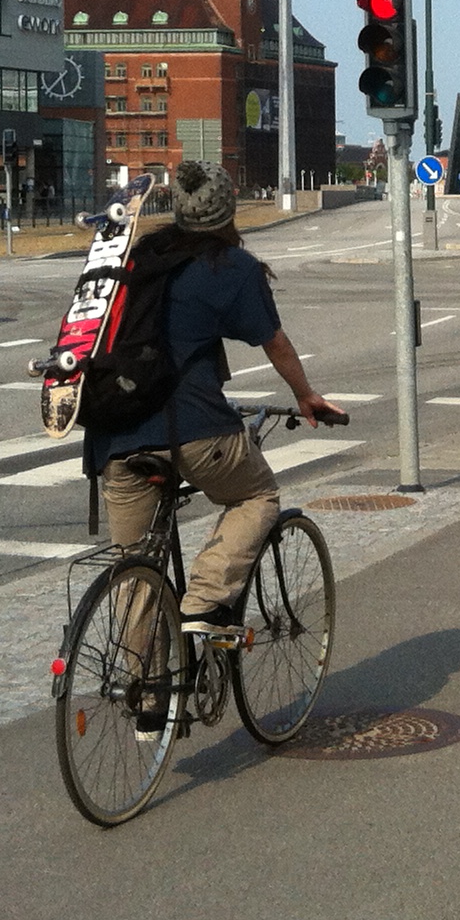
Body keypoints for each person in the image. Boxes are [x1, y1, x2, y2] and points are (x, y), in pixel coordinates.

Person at [85, 163, 342, 655]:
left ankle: (148, 707)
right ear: (230, 210)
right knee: (258, 497)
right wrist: (306, 396)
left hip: (114, 436)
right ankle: (202, 601)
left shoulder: (134, 259)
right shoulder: (231, 268)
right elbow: (276, 344)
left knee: (136, 572)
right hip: (194, 432)